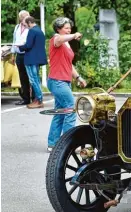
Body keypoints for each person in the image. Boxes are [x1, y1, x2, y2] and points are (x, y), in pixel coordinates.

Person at [47, 17, 87, 152]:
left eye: (70, 28)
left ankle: (53, 144)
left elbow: (69, 65)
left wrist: (78, 77)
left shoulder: (67, 44)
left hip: (64, 81)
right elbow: (59, 39)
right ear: (58, 29)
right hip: (57, 81)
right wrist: (74, 35)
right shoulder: (56, 39)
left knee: (60, 113)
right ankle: (69, 144)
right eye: (66, 28)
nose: (69, 29)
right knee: (70, 109)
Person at [17, 16, 47, 109]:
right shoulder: (39, 30)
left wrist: (20, 47)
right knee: (36, 80)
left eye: (26, 25)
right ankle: (38, 99)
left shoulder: (32, 31)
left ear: (30, 22)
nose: (26, 27)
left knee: (33, 80)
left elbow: (28, 45)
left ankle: (38, 100)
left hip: (31, 59)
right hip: (37, 59)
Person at [11, 10, 34, 105]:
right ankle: (25, 98)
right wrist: (13, 54)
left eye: (27, 16)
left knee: (31, 76)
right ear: (20, 18)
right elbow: (14, 40)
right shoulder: (17, 27)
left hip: (28, 54)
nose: (26, 18)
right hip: (19, 55)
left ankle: (35, 98)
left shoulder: (31, 27)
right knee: (22, 77)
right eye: (24, 16)